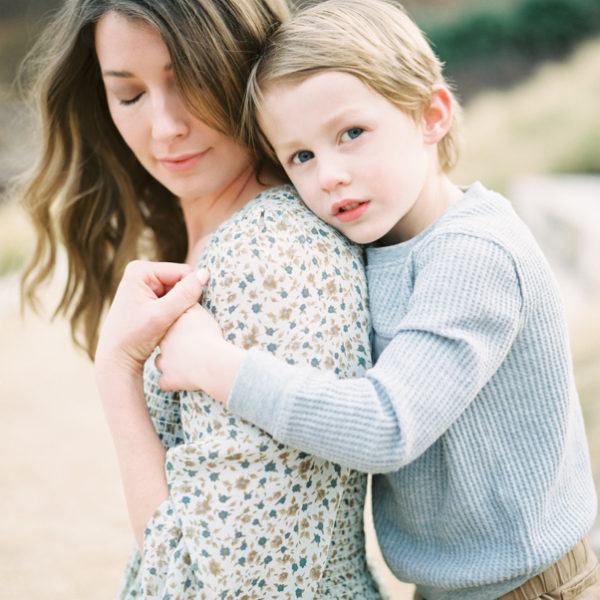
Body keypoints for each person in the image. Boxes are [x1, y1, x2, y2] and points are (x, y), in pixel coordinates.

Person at [149, 1, 600, 599]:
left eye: (352, 134)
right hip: (448, 584)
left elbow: (387, 427)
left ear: (430, 114)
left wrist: (216, 367)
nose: (329, 173)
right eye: (301, 156)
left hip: (528, 584)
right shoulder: (373, 241)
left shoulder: (476, 254)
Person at [15, 0, 383, 598]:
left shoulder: (270, 256)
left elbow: (219, 587)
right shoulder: (211, 236)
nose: (164, 128)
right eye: (129, 96)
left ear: (244, 69)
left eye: (186, 79)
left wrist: (117, 371)